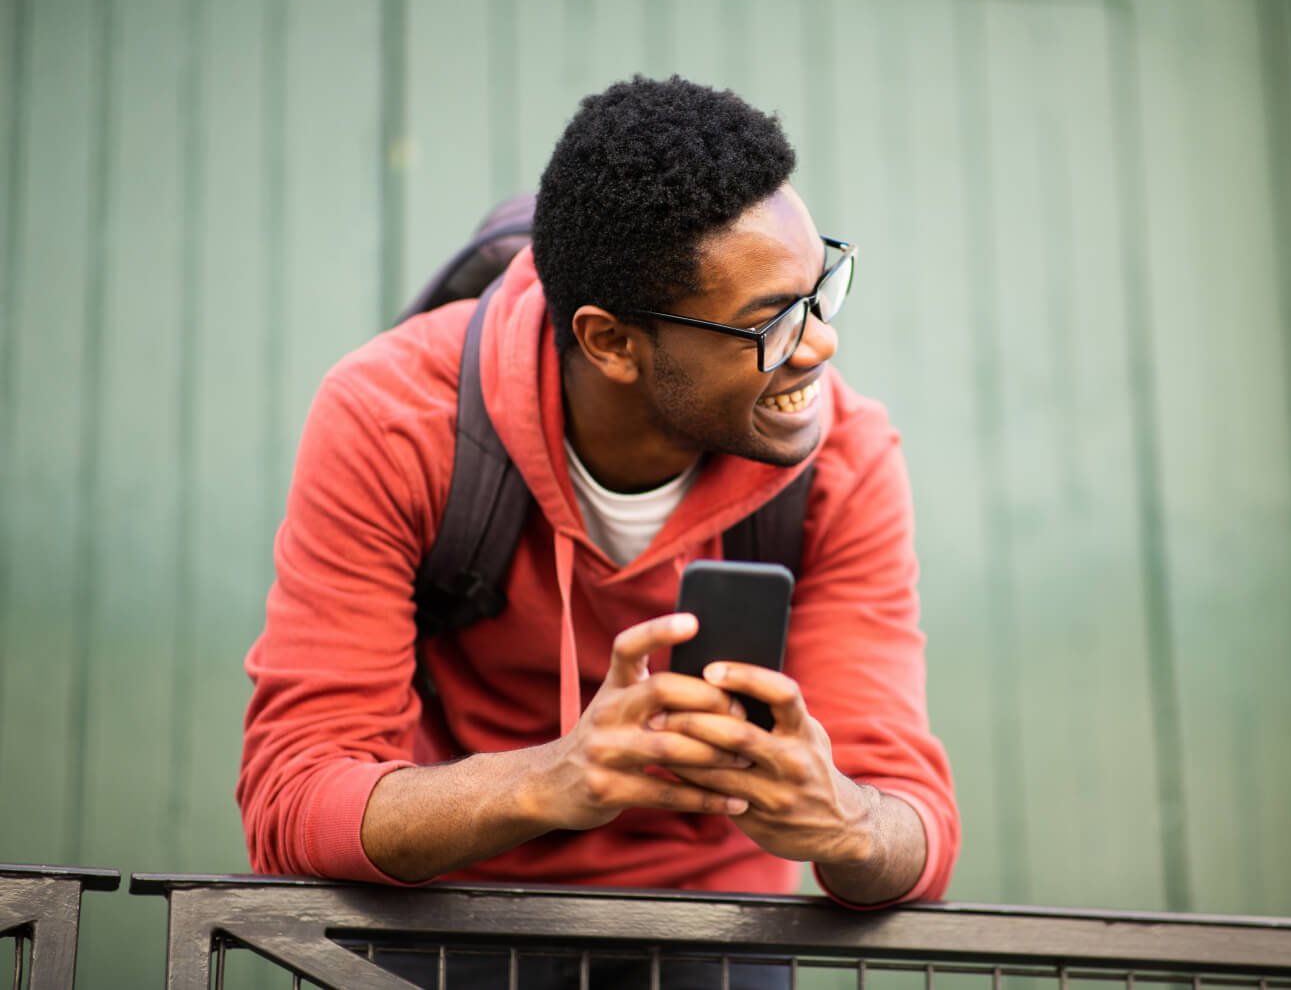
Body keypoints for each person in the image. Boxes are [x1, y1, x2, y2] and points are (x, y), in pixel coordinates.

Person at [237, 75, 958, 972]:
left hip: (714, 928)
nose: (820, 345)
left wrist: (843, 819)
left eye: (823, 288)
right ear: (613, 342)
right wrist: (555, 779)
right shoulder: (392, 420)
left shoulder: (844, 455)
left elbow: (914, 828)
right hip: (448, 918)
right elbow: (294, 798)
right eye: (770, 323)